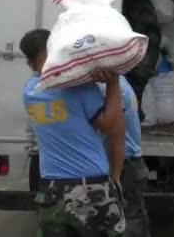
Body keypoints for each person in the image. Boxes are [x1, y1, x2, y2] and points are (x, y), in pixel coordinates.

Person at [19, 29, 126, 236]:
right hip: (90, 189)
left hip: (51, 191)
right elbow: (110, 125)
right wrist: (113, 83)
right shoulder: (79, 88)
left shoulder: (29, 92)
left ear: (31, 64)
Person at [99, 76, 151, 236]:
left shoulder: (107, 89)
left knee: (128, 224)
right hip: (130, 164)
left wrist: (114, 174)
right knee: (132, 220)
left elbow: (115, 131)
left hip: (123, 166)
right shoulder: (120, 82)